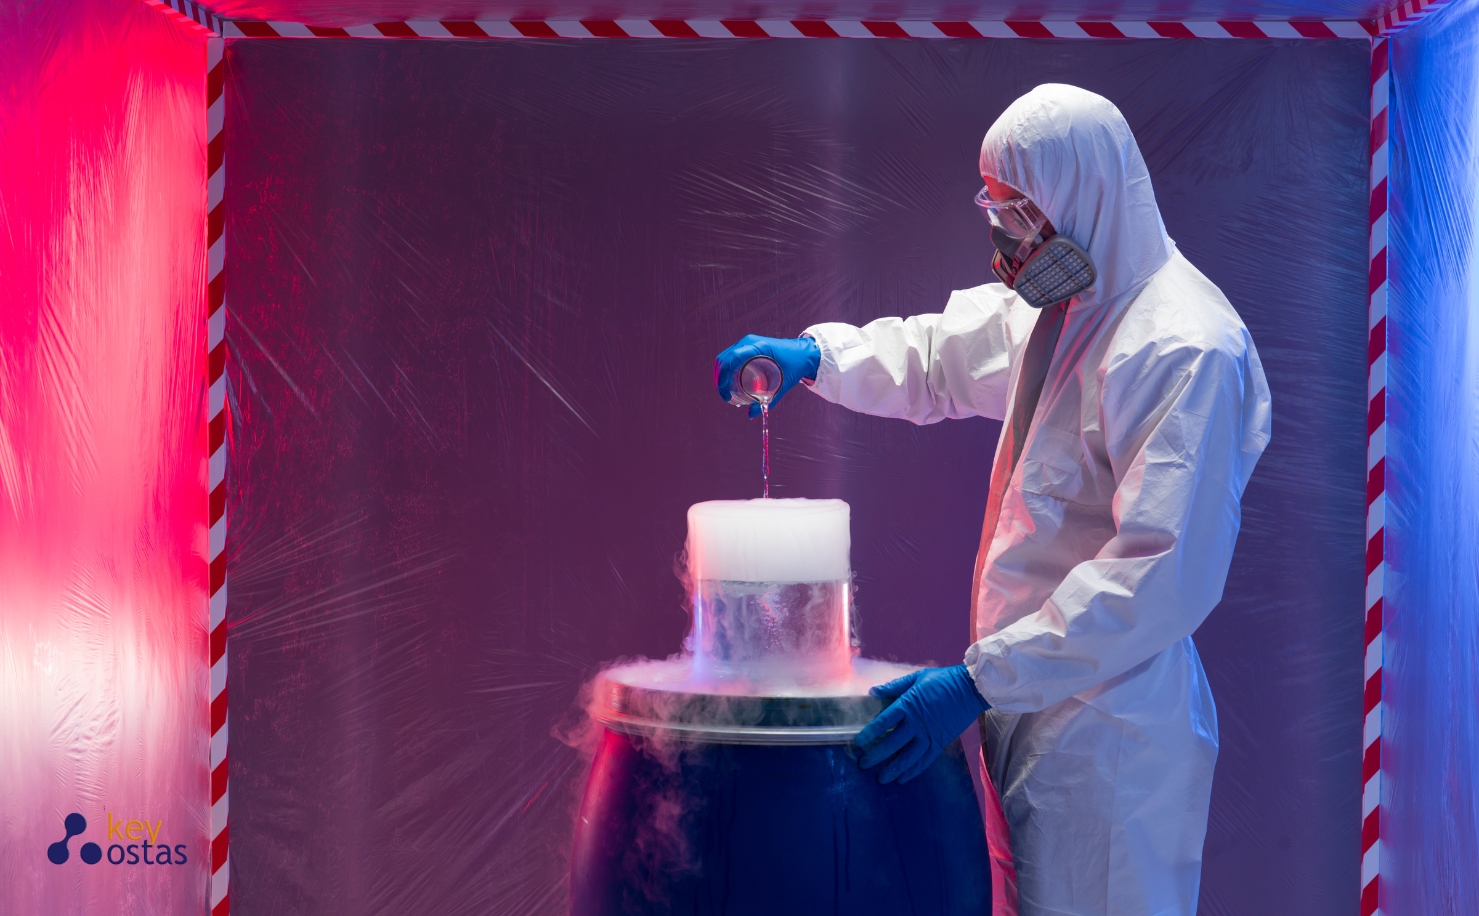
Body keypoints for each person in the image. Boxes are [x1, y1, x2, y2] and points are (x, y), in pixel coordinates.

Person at [713, 84, 1272, 916]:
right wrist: (817, 357)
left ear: (1084, 196)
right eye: (996, 211)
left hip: (1109, 735)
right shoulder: (1065, 310)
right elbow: (936, 356)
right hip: (1030, 709)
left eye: (1020, 215)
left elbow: (1158, 577)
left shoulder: (1182, 348)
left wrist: (979, 680)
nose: (1006, 243)